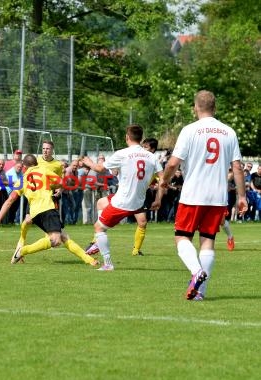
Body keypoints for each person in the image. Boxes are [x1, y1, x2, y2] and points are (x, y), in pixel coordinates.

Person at [160, 90, 247, 301]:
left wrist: (165, 180)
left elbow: (173, 162)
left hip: (193, 194)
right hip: (218, 196)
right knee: (207, 241)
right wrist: (242, 196)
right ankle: (201, 292)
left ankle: (196, 272)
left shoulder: (190, 130)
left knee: (182, 237)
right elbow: (237, 166)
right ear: (214, 108)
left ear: (195, 107)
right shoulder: (229, 132)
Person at [0, 154, 98, 267]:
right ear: (36, 163)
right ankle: (22, 251)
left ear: (24, 167)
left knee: (63, 237)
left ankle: (89, 260)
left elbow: (9, 200)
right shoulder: (43, 170)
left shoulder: (22, 180)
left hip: (35, 213)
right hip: (47, 208)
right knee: (55, 240)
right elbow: (61, 182)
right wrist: (50, 186)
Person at [81, 124, 164, 271]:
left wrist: (88, 162)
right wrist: (158, 199)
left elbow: (99, 169)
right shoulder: (152, 157)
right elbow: (162, 180)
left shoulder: (122, 153)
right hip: (138, 200)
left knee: (98, 228)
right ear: (141, 138)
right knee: (101, 202)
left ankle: (107, 263)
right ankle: (100, 240)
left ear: (127, 137)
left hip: (124, 202)